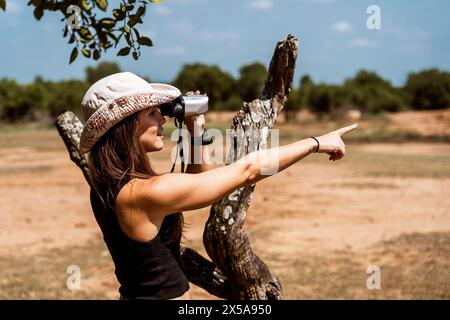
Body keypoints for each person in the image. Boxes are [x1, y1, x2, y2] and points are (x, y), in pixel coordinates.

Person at [81, 72, 358, 300]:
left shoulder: (108, 185)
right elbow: (248, 170)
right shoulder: (143, 193)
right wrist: (317, 142)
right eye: (153, 113)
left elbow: (192, 182)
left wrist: (195, 130)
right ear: (127, 126)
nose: (163, 119)